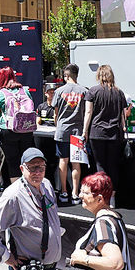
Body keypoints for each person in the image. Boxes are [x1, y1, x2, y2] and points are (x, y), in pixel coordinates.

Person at [68, 171, 134, 270]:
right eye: (81, 191)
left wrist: (83, 259)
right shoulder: (114, 217)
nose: (80, 195)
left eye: (86, 193)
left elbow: (115, 263)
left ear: (99, 199)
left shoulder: (103, 224)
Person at [82, 65, 129, 201]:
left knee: (100, 164)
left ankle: (101, 195)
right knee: (113, 165)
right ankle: (112, 196)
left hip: (96, 132)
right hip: (115, 133)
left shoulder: (93, 91)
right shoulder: (119, 92)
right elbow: (123, 114)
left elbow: (88, 112)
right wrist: (124, 127)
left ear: (99, 75)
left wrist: (85, 131)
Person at [0, 66, 39, 185]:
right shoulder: (25, 90)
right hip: (27, 129)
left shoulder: (0, 93)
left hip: (8, 131)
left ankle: (17, 190)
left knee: (12, 162)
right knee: (26, 160)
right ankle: (29, 187)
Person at [52, 64, 88, 205]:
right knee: (76, 163)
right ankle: (75, 193)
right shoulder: (84, 91)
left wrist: (58, 124)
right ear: (76, 75)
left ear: (66, 76)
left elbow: (55, 113)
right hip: (78, 132)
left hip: (62, 131)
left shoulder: (59, 91)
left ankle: (64, 192)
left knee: (63, 161)